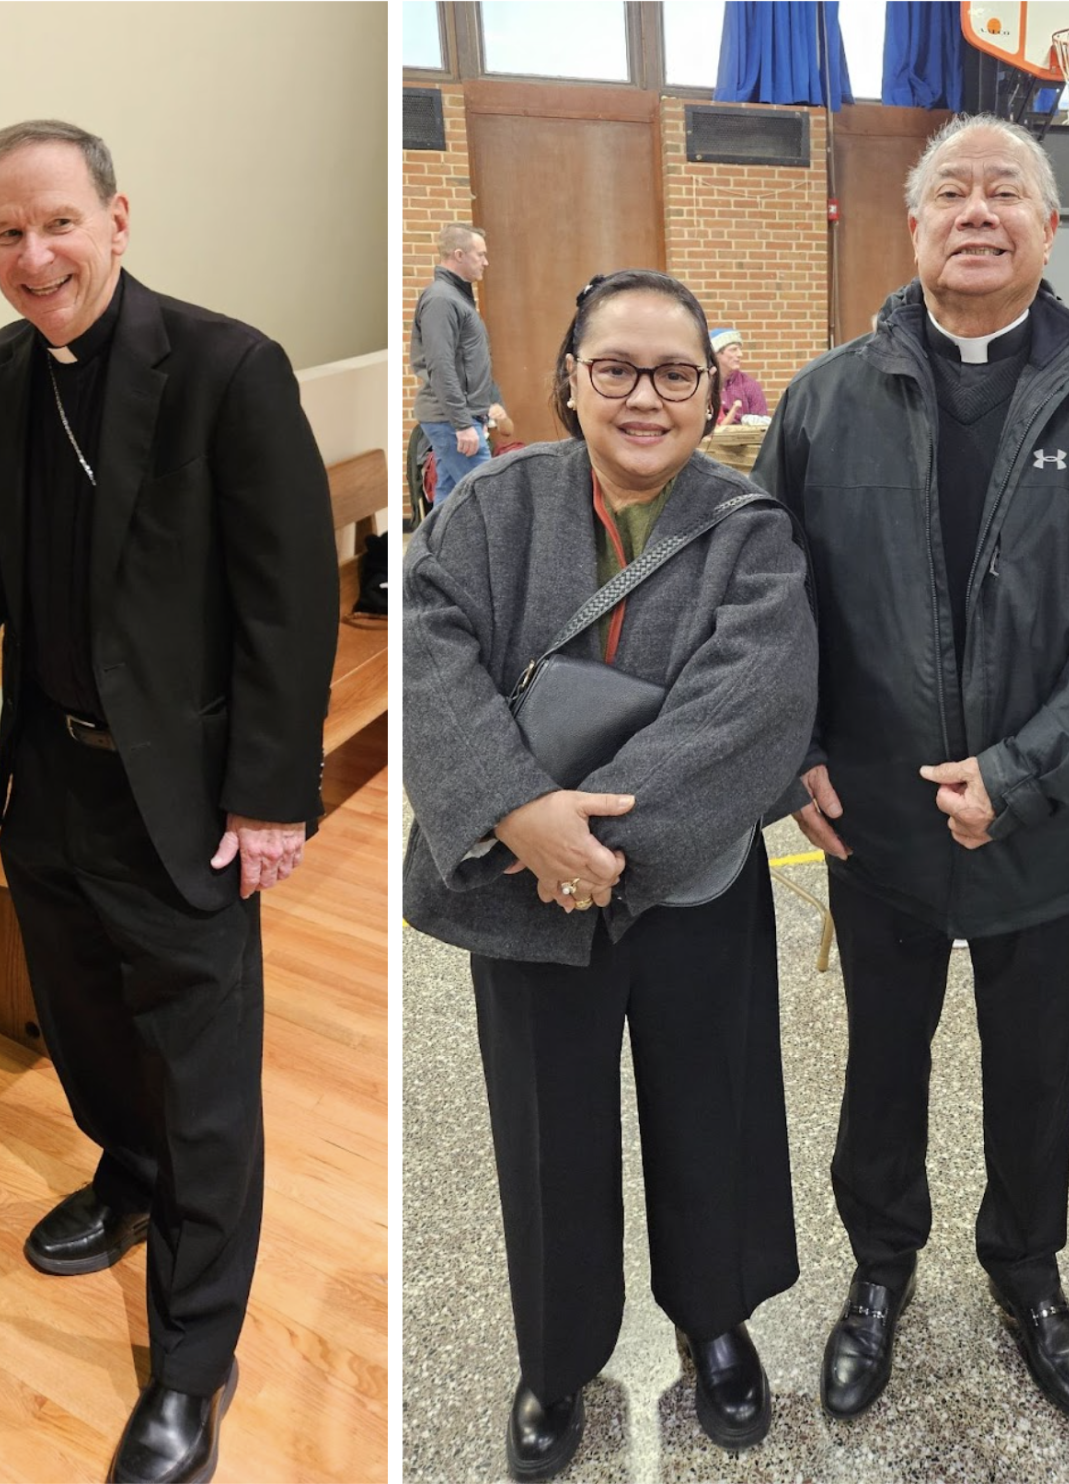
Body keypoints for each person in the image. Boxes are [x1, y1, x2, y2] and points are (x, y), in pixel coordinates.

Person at [751, 113, 1069, 1424]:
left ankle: (1027, 1270)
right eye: (953, 192)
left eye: (1009, 191)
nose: (980, 211)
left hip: (1043, 824)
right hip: (875, 821)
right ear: (916, 225)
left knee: (1036, 1061)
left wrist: (1027, 769)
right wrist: (799, 755)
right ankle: (880, 1269)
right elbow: (767, 599)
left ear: (1049, 229)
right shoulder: (827, 399)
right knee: (882, 1058)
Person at [0, 119, 338, 1484]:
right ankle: (126, 1176)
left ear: (119, 218)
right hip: (49, 782)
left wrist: (274, 797)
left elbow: (290, 604)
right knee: (88, 1027)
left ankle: (193, 1359)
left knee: (206, 1080)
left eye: (57, 221)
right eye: (7, 231)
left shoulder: (227, 369)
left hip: (180, 793)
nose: (34, 253)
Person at [406, 269, 819, 1480]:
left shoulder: (748, 529)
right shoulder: (490, 509)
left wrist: (590, 851)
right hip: (516, 885)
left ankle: (716, 1320)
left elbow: (750, 705)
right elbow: (432, 660)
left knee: (714, 1107)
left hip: (683, 888)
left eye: (674, 374)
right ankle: (557, 1353)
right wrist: (519, 814)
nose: (645, 397)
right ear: (570, 380)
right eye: (617, 370)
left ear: (709, 389)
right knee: (545, 1132)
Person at [412, 222, 506, 504]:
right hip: (451, 420)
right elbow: (440, 367)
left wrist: (484, 407)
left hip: (457, 417)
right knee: (490, 497)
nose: (486, 262)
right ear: (459, 255)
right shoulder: (441, 300)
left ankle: (434, 548)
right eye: (481, 255)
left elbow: (466, 362)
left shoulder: (456, 298)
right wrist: (462, 424)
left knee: (449, 498)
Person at [709, 327, 769, 424]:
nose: (740, 354)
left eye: (739, 349)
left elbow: (762, 428)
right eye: (733, 350)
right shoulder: (704, 383)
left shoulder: (750, 385)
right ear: (716, 354)